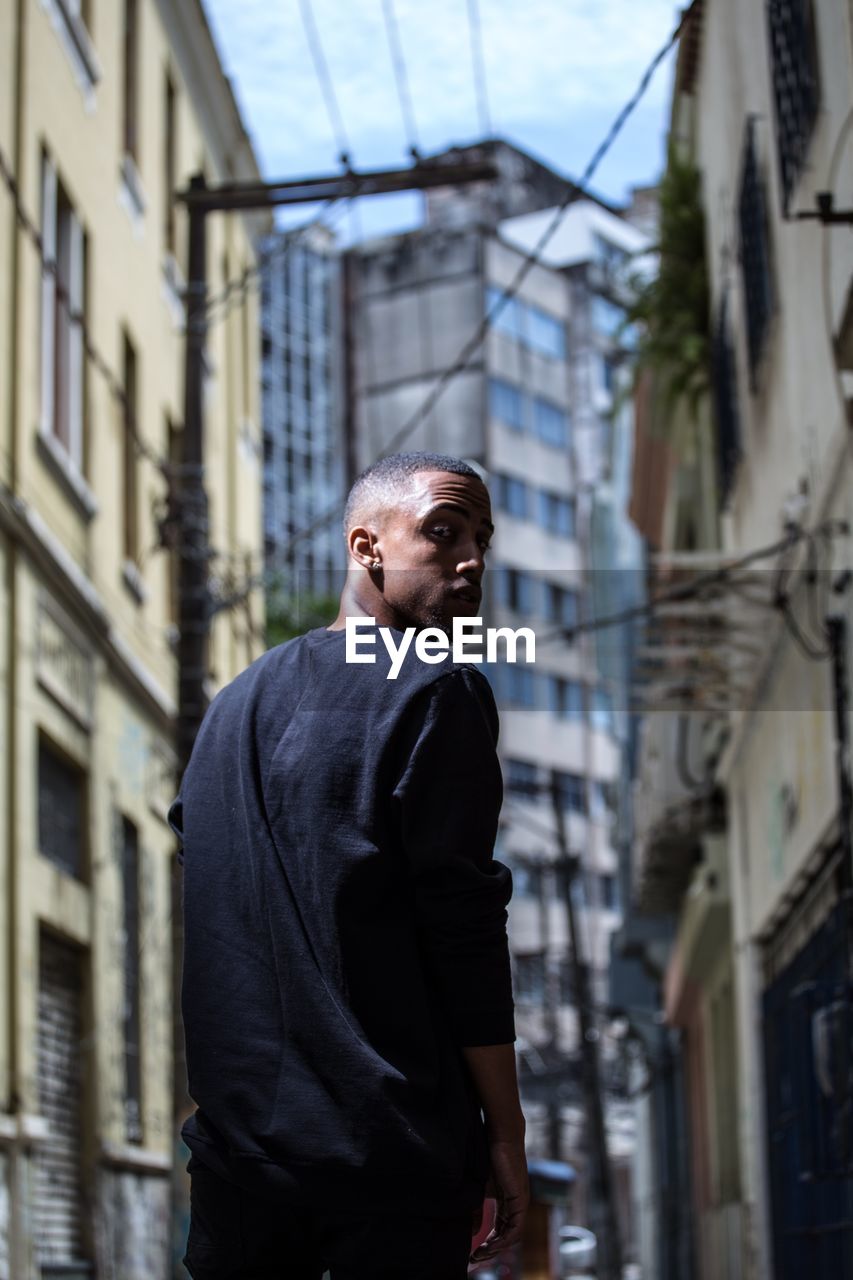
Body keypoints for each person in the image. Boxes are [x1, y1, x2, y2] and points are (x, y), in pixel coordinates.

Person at [170, 451, 528, 1279]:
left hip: (237, 1171)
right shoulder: (436, 690)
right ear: (367, 547)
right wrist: (503, 1137)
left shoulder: (235, 706)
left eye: (480, 538)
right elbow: (465, 931)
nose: (471, 558)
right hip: (387, 1165)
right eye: (441, 532)